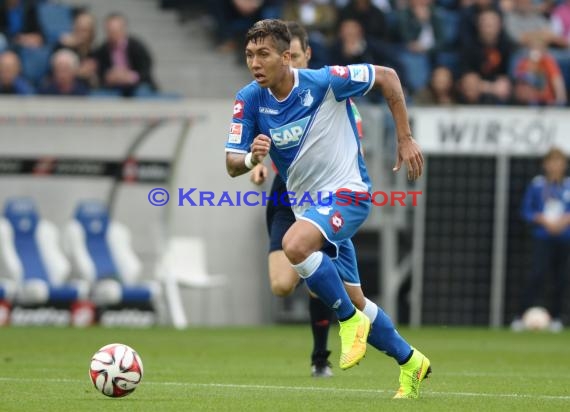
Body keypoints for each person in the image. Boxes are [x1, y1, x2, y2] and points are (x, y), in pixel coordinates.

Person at [225, 19, 430, 399]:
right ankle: (412, 362)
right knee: (353, 296)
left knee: (295, 245)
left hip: (348, 194)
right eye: (250, 55)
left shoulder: (323, 82)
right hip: (310, 210)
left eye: (264, 54)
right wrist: (251, 160)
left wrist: (405, 138)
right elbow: (231, 163)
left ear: (288, 57)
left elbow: (387, 77)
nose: (255, 63)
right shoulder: (249, 98)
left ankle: (349, 325)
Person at [249, 20, 366, 378]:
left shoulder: (328, 93)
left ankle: (320, 357)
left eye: (296, 57)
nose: (290, 65)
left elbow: (340, 141)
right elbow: (261, 139)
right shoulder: (262, 96)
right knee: (281, 285)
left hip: (327, 198)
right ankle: (315, 269)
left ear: (302, 55)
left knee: (319, 271)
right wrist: (258, 164)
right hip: (286, 198)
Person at [511, 147, 570, 333]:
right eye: (552, 161)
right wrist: (542, 219)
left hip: (564, 237)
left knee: (561, 278)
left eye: (559, 162)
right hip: (543, 237)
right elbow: (526, 211)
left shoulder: (568, 185)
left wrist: (565, 220)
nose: (555, 166)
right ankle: (521, 316)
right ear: (545, 164)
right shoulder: (537, 185)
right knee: (537, 275)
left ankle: (558, 317)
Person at [93, 12, 157, 97]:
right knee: (99, 96)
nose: (112, 34)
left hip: (138, 85)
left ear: (123, 29)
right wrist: (109, 77)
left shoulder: (137, 46)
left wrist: (130, 76)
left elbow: (146, 70)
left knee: (142, 92)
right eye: (109, 31)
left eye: (115, 30)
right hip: (113, 87)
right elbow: (100, 72)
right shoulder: (102, 50)